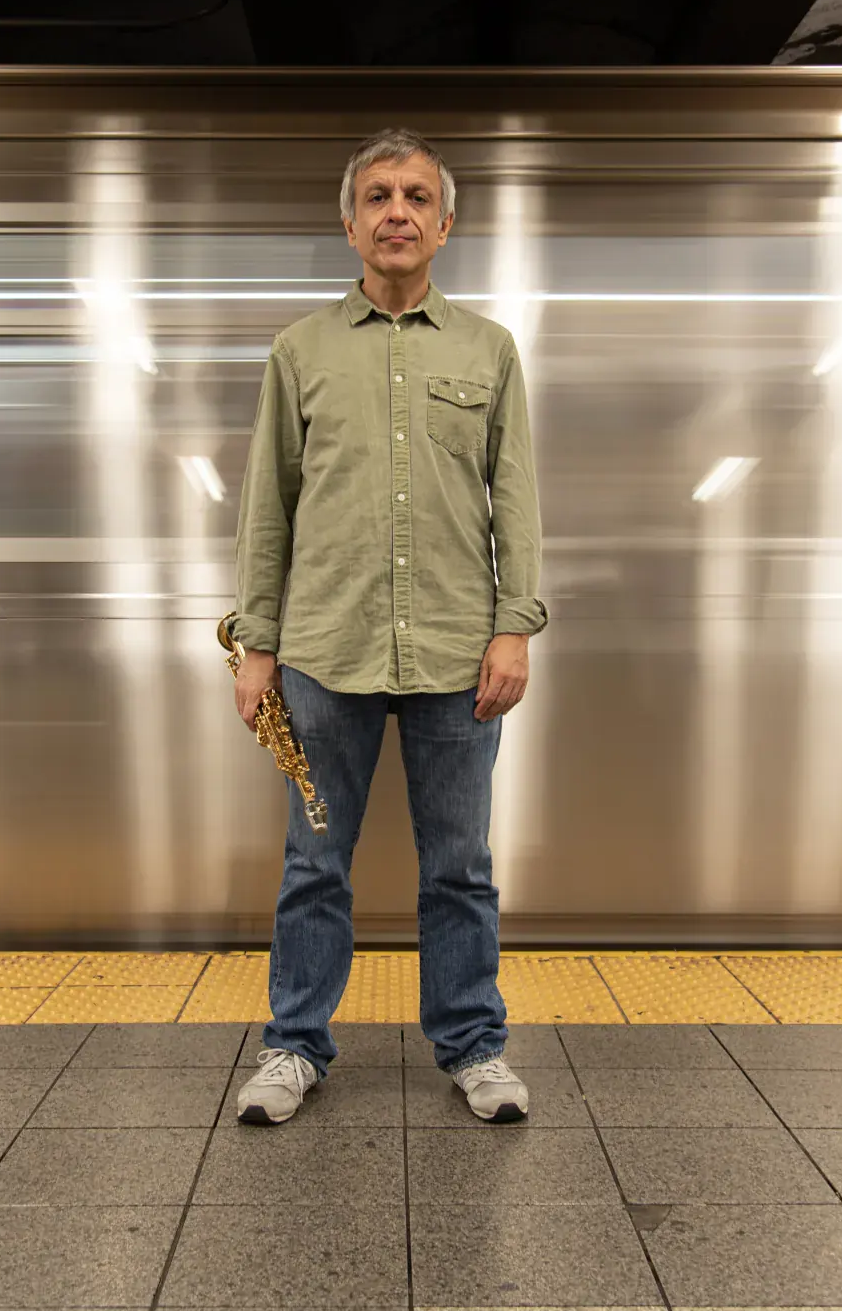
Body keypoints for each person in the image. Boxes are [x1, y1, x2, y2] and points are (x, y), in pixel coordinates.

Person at [226, 128, 546, 1125]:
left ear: (444, 225)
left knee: (459, 863)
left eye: (415, 196)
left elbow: (515, 500)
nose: (396, 210)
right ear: (350, 222)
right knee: (313, 863)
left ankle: (473, 1046)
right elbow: (267, 507)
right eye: (377, 195)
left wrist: (514, 628)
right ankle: (294, 1047)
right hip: (324, 651)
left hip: (458, 652)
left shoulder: (487, 350)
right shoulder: (300, 352)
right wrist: (257, 646)